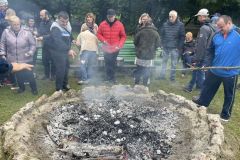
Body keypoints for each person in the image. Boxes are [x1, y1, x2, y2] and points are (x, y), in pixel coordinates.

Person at [192, 15, 240, 122]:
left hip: (231, 73)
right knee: (207, 89)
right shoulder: (216, 35)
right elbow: (210, 51)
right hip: (214, 70)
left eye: (221, 27)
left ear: (229, 23)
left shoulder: (238, 34)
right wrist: (208, 63)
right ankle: (202, 104)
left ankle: (225, 115)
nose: (219, 29)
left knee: (229, 95)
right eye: (218, 27)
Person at [1, 16, 38, 95]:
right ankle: (21, 88)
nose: (17, 26)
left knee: (29, 75)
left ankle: (34, 89)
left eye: (18, 24)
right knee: (18, 75)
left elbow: (33, 44)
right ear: (11, 24)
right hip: (13, 59)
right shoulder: (6, 32)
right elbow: (2, 43)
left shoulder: (26, 32)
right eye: (14, 24)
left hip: (26, 58)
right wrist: (3, 54)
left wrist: (30, 52)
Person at [188, 8, 216, 91]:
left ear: (202, 16)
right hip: (208, 54)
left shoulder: (204, 28)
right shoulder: (212, 26)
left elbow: (201, 45)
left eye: (198, 16)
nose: (197, 18)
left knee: (199, 72)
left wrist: (196, 58)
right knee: (201, 72)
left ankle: (200, 89)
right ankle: (197, 86)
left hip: (203, 55)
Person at [48, 11, 76, 91]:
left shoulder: (67, 24)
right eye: (62, 21)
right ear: (58, 19)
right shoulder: (55, 28)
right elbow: (58, 42)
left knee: (66, 67)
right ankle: (58, 88)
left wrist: (72, 39)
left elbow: (69, 33)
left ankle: (65, 84)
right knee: (61, 69)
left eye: (66, 21)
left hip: (65, 51)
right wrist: (69, 50)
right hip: (57, 51)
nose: (65, 23)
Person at [97, 9, 126, 83]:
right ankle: (107, 78)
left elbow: (123, 36)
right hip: (106, 48)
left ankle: (113, 78)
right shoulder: (102, 24)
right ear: (107, 16)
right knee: (107, 63)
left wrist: (119, 46)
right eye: (109, 17)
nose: (110, 18)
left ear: (115, 16)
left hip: (115, 48)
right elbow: (98, 34)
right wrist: (103, 40)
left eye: (112, 16)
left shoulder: (119, 24)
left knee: (113, 63)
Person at [158, 10, 185, 82]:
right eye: (169, 16)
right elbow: (162, 35)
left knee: (174, 64)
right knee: (164, 62)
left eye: (172, 16)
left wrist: (178, 47)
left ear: (176, 17)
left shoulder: (181, 25)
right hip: (166, 47)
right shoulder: (165, 24)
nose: (170, 18)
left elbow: (182, 37)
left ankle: (172, 78)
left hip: (175, 48)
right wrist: (162, 44)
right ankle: (162, 76)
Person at [134, 19, 160, 86]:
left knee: (139, 69)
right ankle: (145, 86)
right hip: (150, 56)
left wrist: (139, 48)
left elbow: (135, 42)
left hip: (140, 55)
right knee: (147, 71)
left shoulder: (140, 32)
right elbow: (158, 44)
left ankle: (136, 84)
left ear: (145, 24)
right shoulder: (156, 33)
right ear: (152, 25)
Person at [37, 9, 55, 80]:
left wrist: (43, 37)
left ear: (46, 15)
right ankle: (46, 75)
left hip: (52, 45)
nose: (40, 17)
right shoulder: (41, 23)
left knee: (53, 61)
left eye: (42, 15)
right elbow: (40, 32)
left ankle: (53, 75)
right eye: (40, 15)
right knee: (45, 60)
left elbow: (52, 35)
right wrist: (37, 34)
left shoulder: (52, 23)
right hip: (44, 45)